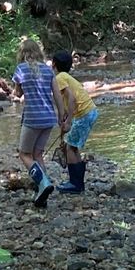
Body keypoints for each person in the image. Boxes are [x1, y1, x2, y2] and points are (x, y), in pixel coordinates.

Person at [13, 36, 62, 206]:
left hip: (32, 118)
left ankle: (43, 183)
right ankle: (43, 188)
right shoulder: (48, 70)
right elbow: (57, 95)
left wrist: (19, 90)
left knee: (24, 154)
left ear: (23, 53)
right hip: (48, 118)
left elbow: (18, 94)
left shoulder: (21, 69)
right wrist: (61, 116)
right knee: (38, 154)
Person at [51, 50, 97, 195]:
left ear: (53, 64)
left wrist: (69, 121)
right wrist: (65, 120)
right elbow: (67, 102)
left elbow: (71, 98)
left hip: (83, 114)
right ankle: (78, 184)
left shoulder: (59, 78)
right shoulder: (66, 76)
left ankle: (74, 184)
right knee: (74, 147)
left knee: (70, 148)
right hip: (90, 111)